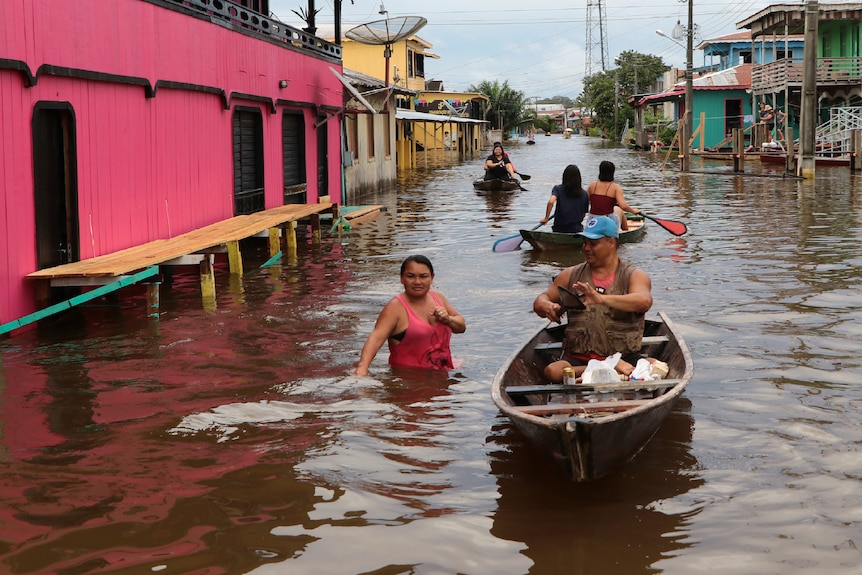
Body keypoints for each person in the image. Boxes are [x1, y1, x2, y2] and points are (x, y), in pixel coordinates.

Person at [532, 215, 653, 383]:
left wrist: (601, 299)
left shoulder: (634, 275)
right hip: (581, 359)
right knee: (553, 371)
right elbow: (540, 300)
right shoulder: (570, 274)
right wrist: (546, 306)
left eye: (593, 243)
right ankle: (609, 367)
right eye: (584, 243)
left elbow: (644, 302)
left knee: (656, 366)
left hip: (624, 357)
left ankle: (612, 366)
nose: (586, 248)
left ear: (611, 243)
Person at [354, 255, 466, 376]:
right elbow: (375, 339)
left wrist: (448, 319)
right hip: (409, 382)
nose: (417, 282)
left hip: (442, 377)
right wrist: (362, 369)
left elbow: (461, 327)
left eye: (423, 276)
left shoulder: (438, 298)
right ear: (402, 278)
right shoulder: (395, 307)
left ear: (432, 278)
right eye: (410, 276)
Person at [586, 160, 640, 231]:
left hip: (592, 219)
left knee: (616, 210)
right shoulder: (615, 188)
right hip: (607, 220)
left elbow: (587, 202)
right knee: (619, 210)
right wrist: (633, 211)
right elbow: (623, 206)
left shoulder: (592, 185)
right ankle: (625, 231)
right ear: (612, 173)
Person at [541, 164, 589, 233]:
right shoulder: (584, 194)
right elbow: (584, 214)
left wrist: (546, 218)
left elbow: (551, 202)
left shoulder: (558, 189)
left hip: (559, 229)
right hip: (576, 229)